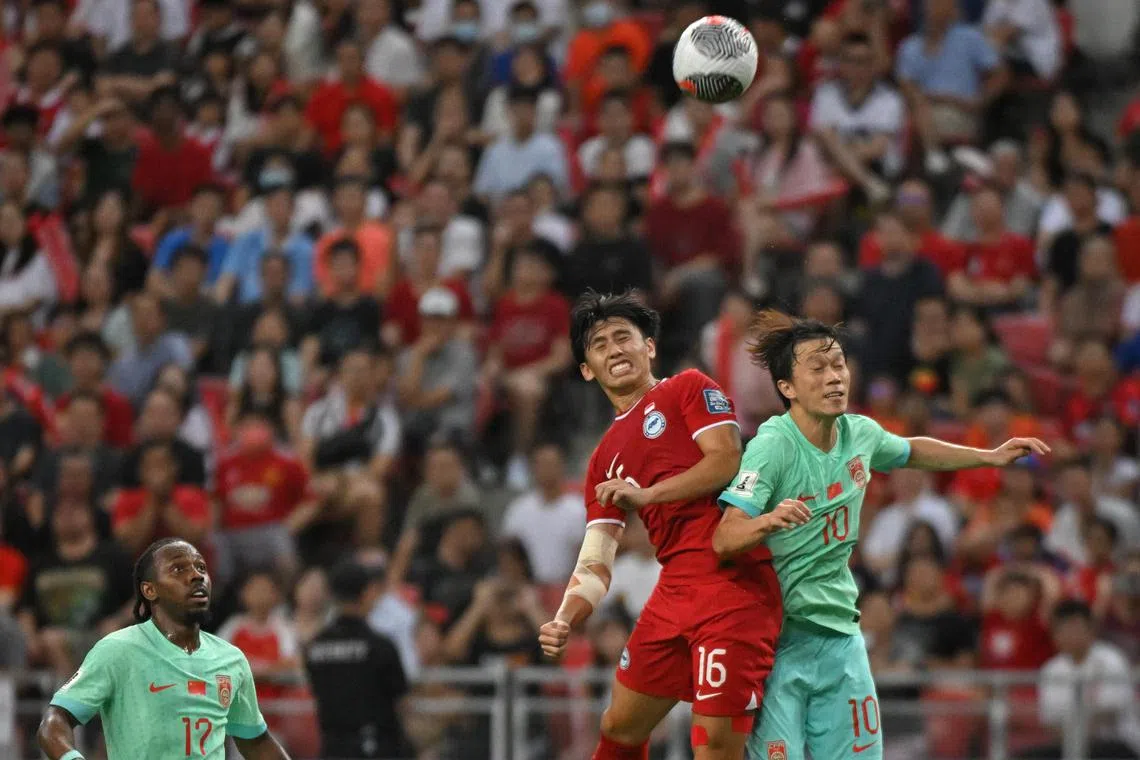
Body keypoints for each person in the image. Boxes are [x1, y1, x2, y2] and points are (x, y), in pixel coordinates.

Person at [713, 310, 1049, 760]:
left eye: (839, 365)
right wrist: (767, 521)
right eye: (818, 368)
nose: (835, 377)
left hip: (841, 636)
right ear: (787, 388)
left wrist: (987, 456)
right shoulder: (773, 446)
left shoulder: (861, 433)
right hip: (777, 640)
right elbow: (725, 537)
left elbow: (912, 451)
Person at [537, 291, 787, 760]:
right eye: (600, 344)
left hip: (734, 586)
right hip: (674, 593)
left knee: (713, 744)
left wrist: (648, 495)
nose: (614, 349)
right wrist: (564, 617)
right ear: (587, 369)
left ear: (649, 347)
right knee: (619, 726)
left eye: (623, 337)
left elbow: (726, 459)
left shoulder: (687, 388)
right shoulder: (602, 459)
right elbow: (596, 560)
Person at [36, 537, 291, 759]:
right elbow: (54, 722)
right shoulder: (118, 650)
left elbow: (257, 743)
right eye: (178, 569)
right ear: (149, 590)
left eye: (201, 567)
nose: (197, 575)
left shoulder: (231, 659)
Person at [304, 560, 411, 760]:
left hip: (332, 748)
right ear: (367, 593)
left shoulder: (315, 646)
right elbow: (401, 699)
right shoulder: (380, 646)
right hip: (375, 747)